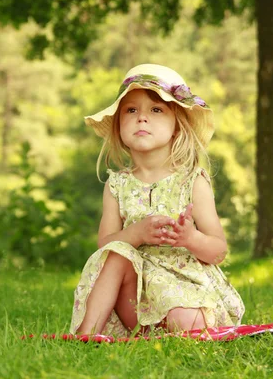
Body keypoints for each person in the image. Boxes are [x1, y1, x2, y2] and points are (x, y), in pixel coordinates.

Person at [70, 64, 244, 337]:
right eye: (131, 110)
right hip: (135, 298)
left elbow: (218, 251)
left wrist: (190, 238)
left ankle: (172, 331)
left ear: (176, 126)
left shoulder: (192, 181)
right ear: (118, 126)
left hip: (183, 288)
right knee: (116, 253)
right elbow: (104, 247)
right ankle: (86, 333)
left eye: (156, 109)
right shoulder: (117, 185)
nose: (141, 118)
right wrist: (136, 233)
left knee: (187, 321)